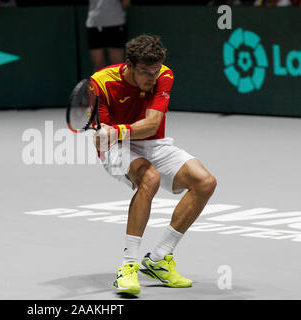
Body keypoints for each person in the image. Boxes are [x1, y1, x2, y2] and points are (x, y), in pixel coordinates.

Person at [91, 34, 217, 294]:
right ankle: (128, 266)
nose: (152, 78)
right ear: (128, 65)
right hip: (117, 148)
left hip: (152, 142)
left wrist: (116, 130)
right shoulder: (100, 83)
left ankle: (159, 258)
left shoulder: (165, 75)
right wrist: (104, 138)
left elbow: (151, 123)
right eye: (145, 72)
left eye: (155, 70)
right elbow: (102, 139)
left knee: (205, 182)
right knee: (150, 178)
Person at [86, 0, 130, 72]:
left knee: (117, 68)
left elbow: (126, 2)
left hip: (116, 25)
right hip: (93, 25)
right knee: (99, 68)